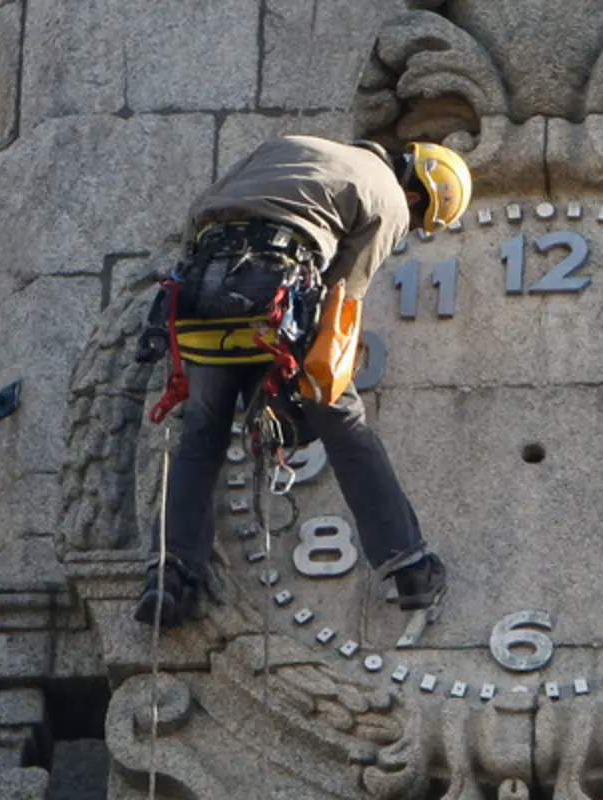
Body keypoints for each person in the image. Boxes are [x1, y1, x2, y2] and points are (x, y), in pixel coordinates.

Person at [131, 135, 472, 628]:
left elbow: (199, 212)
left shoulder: (288, 146)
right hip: (271, 292)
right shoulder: (391, 199)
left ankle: (170, 574)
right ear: (418, 196)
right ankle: (408, 567)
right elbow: (343, 294)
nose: (408, 226)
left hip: (196, 294)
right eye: (416, 223)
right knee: (345, 425)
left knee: (201, 432)